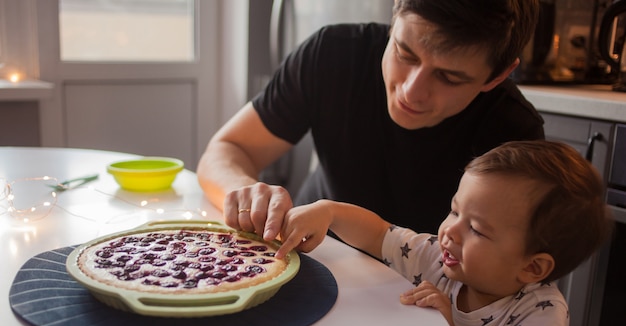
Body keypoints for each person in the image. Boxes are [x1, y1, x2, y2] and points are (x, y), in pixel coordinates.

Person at [274, 140, 613, 326]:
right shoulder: (439, 258)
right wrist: (329, 211)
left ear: (533, 268)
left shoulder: (541, 312)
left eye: (476, 228)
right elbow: (378, 234)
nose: (450, 229)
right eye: (454, 210)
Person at [197, 0, 545, 241]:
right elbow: (227, 149)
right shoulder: (333, 54)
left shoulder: (514, 135)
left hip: (420, 294)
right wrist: (243, 192)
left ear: (497, 76)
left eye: (449, 78)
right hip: (312, 254)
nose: (411, 91)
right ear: (395, 17)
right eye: (404, 53)